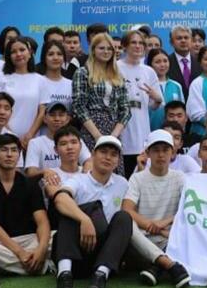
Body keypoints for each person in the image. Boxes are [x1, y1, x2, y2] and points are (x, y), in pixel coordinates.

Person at [43, 136, 134, 288]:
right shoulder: (79, 180)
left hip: (104, 253)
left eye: (113, 154)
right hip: (77, 250)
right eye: (103, 152)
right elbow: (60, 199)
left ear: (118, 160)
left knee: (124, 217)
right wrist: (84, 219)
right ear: (93, 155)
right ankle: (64, 274)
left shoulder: (123, 183)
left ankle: (101, 276)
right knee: (72, 207)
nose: (108, 157)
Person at [0, 134, 53, 276]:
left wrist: (41, 250)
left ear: (19, 155)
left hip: (29, 239)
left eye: (14, 150)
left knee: (56, 237)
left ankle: (0, 268)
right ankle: (43, 266)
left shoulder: (30, 184)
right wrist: (20, 252)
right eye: (4, 150)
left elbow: (42, 221)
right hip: (0, 242)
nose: (9, 154)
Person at [122, 130, 193, 288]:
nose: (161, 155)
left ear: (172, 152)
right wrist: (151, 225)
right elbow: (127, 210)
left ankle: (156, 268)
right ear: (148, 153)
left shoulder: (180, 177)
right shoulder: (137, 178)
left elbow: (188, 209)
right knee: (126, 221)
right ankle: (168, 265)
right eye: (156, 150)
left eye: (165, 150)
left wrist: (163, 223)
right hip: (141, 241)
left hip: (169, 239)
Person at [72, 33, 132, 175]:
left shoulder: (118, 76)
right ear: (93, 50)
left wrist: (113, 136)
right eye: (101, 48)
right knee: (93, 172)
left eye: (109, 49)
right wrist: (98, 136)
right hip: (91, 129)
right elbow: (79, 106)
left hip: (114, 129)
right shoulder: (83, 72)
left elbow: (125, 110)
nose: (106, 52)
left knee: (114, 173)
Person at [116, 30, 163, 177]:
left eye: (141, 43)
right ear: (124, 46)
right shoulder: (115, 67)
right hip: (120, 134)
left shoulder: (149, 71)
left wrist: (157, 98)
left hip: (142, 135)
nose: (138, 46)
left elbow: (154, 105)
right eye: (134, 42)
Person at [0, 38, 47, 148]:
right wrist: (11, 135)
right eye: (13, 52)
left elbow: (42, 112)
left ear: (30, 53)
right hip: (5, 139)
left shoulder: (40, 80)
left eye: (22, 50)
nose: (18, 54)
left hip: (32, 140)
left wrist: (30, 135)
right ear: (9, 56)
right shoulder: (1, 78)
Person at [25, 103, 91, 178]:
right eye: (52, 115)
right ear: (45, 119)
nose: (57, 119)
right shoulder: (35, 143)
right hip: (47, 182)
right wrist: (45, 172)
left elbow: (88, 161)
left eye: (61, 115)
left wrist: (85, 174)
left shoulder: (75, 140)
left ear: (68, 119)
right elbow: (31, 172)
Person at [38, 41, 75, 125]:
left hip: (66, 132)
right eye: (50, 54)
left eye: (59, 54)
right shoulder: (37, 82)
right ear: (44, 58)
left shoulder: (71, 84)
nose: (55, 58)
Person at [147, 48, 185, 130]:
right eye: (157, 62)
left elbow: (182, 111)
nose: (162, 65)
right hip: (150, 130)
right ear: (150, 65)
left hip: (172, 132)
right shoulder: (146, 86)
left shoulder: (176, 86)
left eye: (165, 61)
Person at [167, 26, 199, 99]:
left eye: (186, 38)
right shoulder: (166, 63)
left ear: (191, 41)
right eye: (179, 38)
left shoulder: (200, 62)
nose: (183, 41)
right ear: (171, 42)